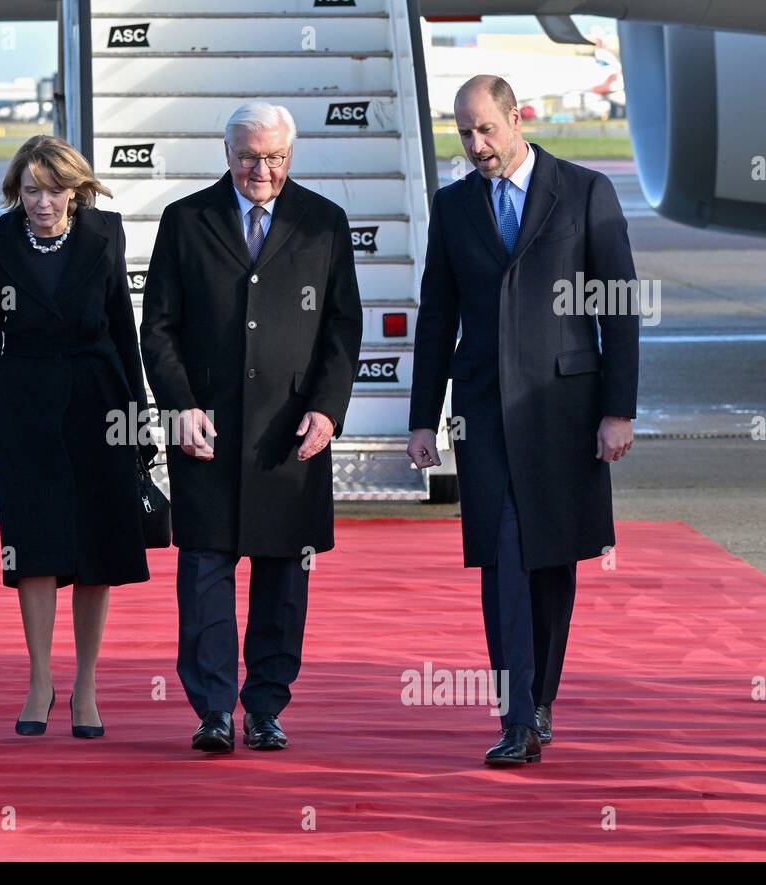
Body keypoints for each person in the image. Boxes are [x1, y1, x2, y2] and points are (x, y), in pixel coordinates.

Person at [406, 76, 639, 767]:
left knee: (551, 560)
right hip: (484, 415)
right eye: (464, 133)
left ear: (516, 119)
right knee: (502, 558)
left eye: (485, 130)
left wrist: (618, 410)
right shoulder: (452, 209)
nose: (476, 145)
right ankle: (514, 717)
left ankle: (540, 699)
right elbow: (436, 318)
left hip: (566, 413)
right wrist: (424, 418)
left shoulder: (586, 192)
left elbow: (618, 308)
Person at [141, 102, 362, 754]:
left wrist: (327, 407)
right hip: (206, 435)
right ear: (227, 151)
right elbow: (158, 327)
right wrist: (179, 405)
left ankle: (265, 708)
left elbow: (343, 329)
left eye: (273, 157)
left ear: (290, 157)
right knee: (204, 577)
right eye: (248, 156)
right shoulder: (187, 221)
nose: (260, 169)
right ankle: (212, 710)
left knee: (282, 584)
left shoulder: (324, 222)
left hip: (289, 439)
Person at [0, 134, 150, 739]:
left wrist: (138, 416)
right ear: (17, 191)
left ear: (76, 189)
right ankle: (40, 679)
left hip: (99, 404)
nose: (43, 203)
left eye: (54, 190)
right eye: (31, 191)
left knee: (97, 547)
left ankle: (87, 687)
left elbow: (124, 326)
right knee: (34, 543)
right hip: (24, 408)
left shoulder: (105, 232)